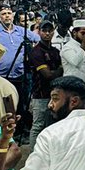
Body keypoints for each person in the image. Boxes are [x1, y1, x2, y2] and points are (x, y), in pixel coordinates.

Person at [26, 19, 64, 149]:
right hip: (40, 94)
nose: (47, 33)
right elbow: (47, 75)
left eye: (50, 31)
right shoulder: (35, 51)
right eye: (44, 31)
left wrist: (57, 70)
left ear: (53, 32)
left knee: (52, 125)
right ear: (39, 32)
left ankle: (47, 152)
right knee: (38, 125)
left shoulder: (55, 51)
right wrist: (59, 69)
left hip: (55, 93)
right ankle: (33, 154)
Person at [60, 19, 85, 87]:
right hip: (72, 86)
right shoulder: (67, 47)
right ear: (74, 32)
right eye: (83, 33)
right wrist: (84, 43)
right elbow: (75, 62)